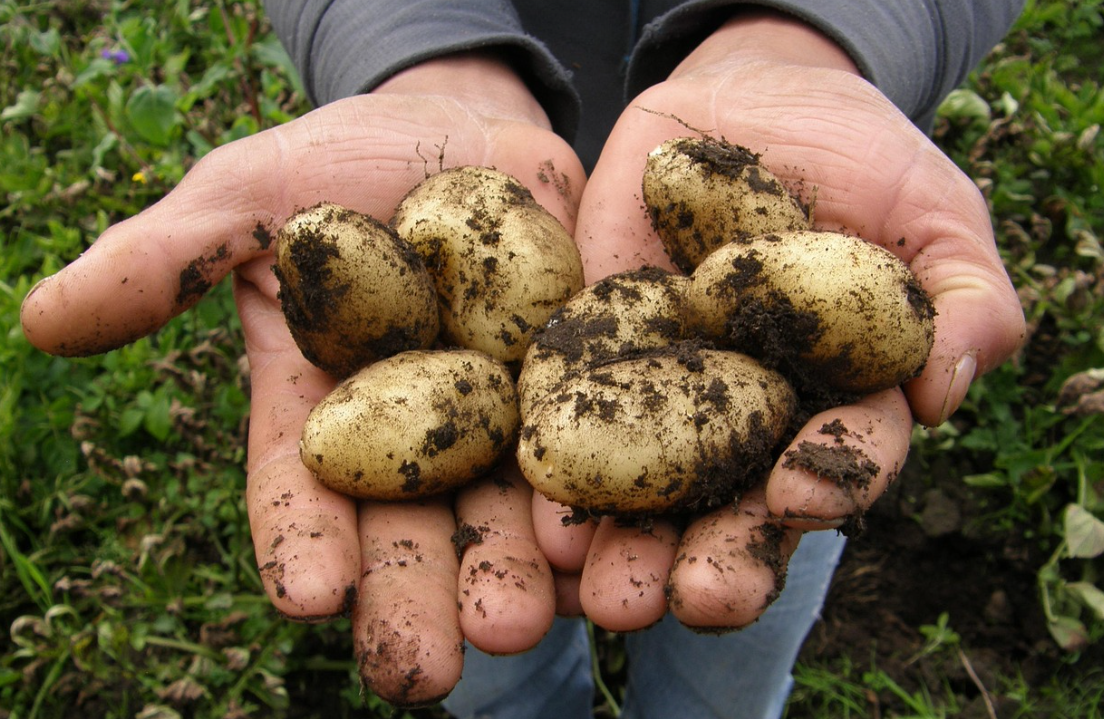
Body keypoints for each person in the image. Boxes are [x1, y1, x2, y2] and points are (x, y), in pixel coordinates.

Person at [20, 1, 1028, 716]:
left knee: (750, 589)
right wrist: (416, 49)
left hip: (779, 358)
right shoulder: (524, 341)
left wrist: (812, 34)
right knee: (490, 628)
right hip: (494, 196)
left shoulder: (712, 299)